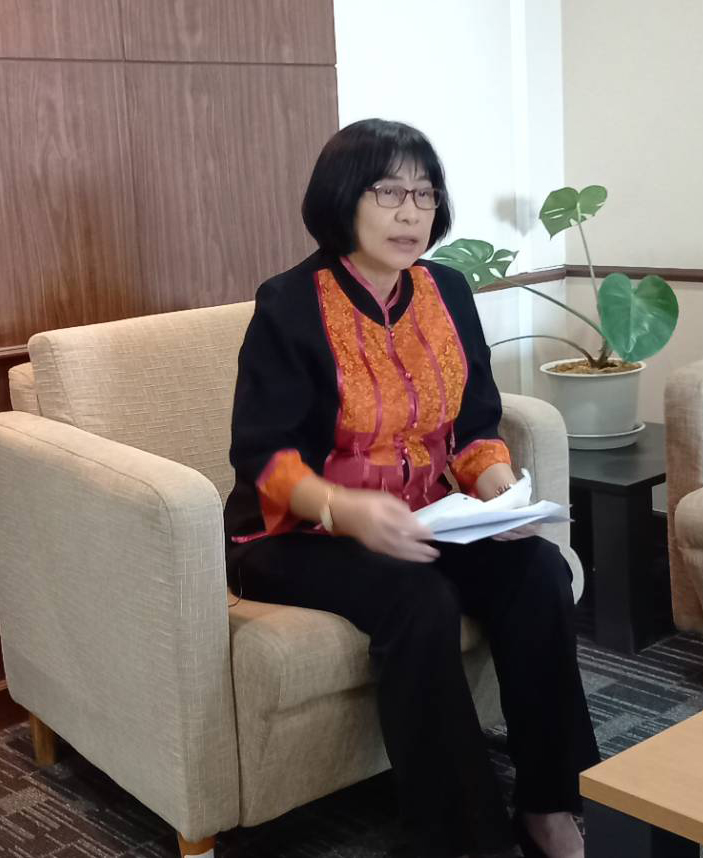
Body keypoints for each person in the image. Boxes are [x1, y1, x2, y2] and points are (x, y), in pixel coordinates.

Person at [224, 118, 600, 858]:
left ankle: (549, 803)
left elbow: (474, 423)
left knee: (537, 570)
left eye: (425, 194)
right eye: (388, 192)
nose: (410, 213)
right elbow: (263, 457)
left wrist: (497, 490)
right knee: (418, 598)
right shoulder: (290, 304)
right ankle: (461, 840)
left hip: (427, 516)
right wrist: (346, 509)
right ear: (343, 199)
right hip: (297, 534)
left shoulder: (447, 290)